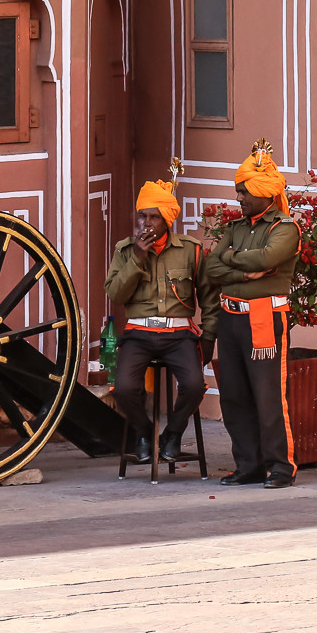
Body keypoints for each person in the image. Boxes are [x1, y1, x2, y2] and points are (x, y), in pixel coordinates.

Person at [105, 165, 219, 465]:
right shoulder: (125, 250)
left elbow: (209, 297)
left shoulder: (190, 250)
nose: (146, 223)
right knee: (124, 388)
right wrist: (137, 260)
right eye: (142, 216)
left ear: (166, 220)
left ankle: (173, 434)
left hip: (178, 335)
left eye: (153, 217)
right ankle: (144, 434)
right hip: (138, 335)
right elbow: (115, 295)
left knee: (195, 386)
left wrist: (208, 337)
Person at [205, 139, 301, 488]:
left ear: (265, 193)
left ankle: (280, 467)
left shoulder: (284, 229)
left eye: (244, 192)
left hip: (264, 318)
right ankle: (248, 465)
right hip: (230, 319)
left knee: (268, 396)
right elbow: (211, 268)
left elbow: (266, 259)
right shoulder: (234, 228)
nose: (239, 198)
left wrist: (229, 259)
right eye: (238, 191)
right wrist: (242, 270)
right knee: (233, 395)